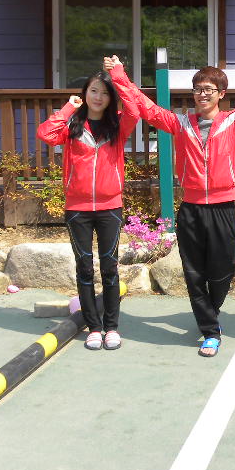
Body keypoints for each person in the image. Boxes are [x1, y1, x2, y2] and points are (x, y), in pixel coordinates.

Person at [106, 29, 235, 357]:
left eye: (209, 90)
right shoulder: (181, 123)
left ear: (221, 94)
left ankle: (210, 314)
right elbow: (145, 107)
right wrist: (119, 75)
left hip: (224, 207)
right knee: (194, 272)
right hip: (191, 208)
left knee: (223, 270)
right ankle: (210, 330)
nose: (202, 95)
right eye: (198, 89)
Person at [37, 69, 140, 351]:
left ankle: (112, 327)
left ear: (110, 98)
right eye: (93, 91)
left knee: (109, 267)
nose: (98, 97)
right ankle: (94, 327)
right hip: (77, 208)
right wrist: (69, 107)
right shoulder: (72, 124)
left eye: (104, 93)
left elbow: (134, 109)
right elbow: (45, 133)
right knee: (84, 267)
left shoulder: (118, 125)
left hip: (110, 207)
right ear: (84, 93)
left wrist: (118, 75)